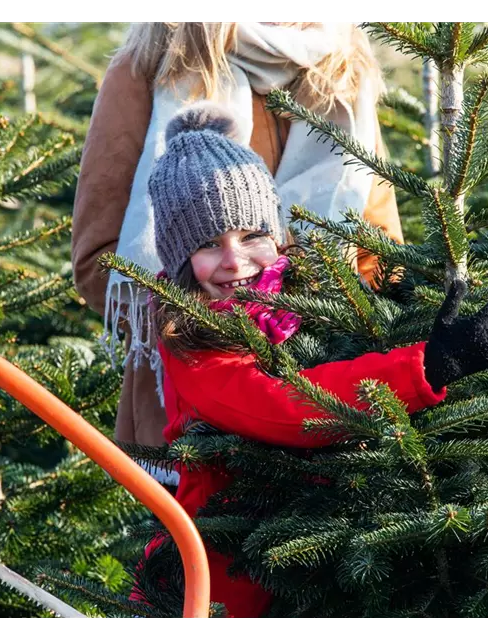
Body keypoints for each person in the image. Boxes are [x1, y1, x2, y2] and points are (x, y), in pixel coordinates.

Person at [126, 102, 488, 619]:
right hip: (237, 568)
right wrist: (427, 367)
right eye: (208, 244)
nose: (235, 259)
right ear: (180, 259)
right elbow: (282, 407)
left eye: (251, 235)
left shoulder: (313, 291)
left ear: (275, 232)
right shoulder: (192, 337)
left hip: (347, 554)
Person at [70, 22, 405, 458]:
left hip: (330, 396)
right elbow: (99, 260)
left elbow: (379, 250)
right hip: (193, 422)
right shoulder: (154, 63)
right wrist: (216, 341)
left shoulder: (344, 68)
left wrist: (324, 331)